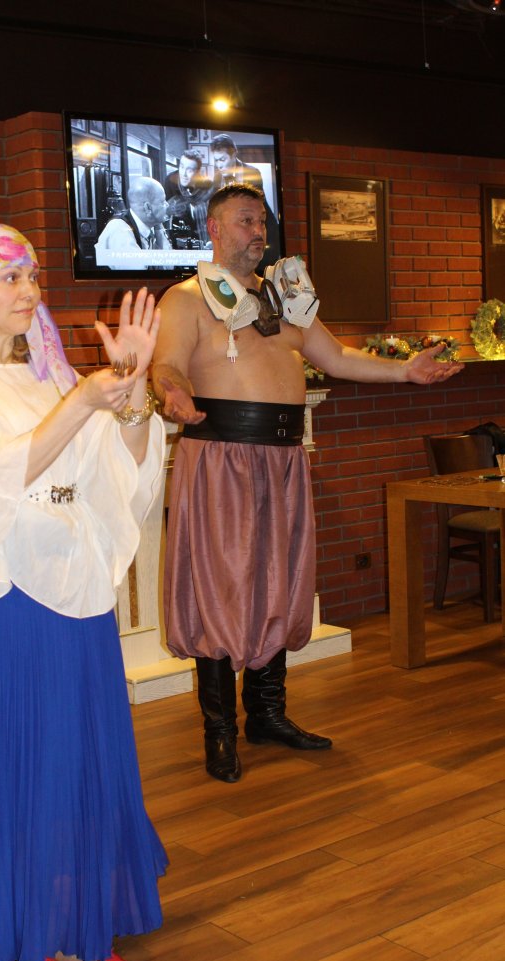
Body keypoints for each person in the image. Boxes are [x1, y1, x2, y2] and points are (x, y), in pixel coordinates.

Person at [0, 223, 168, 961]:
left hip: (74, 585)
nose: (29, 290)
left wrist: (130, 388)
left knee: (82, 752)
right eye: (10, 277)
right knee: (27, 759)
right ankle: (44, 925)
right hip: (2, 597)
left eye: (31, 275)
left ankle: (56, 905)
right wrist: (86, 397)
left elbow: (116, 474)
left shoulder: (51, 378)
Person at [151, 184, 464, 784]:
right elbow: (166, 363)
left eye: (262, 222)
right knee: (220, 589)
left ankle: (267, 715)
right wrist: (173, 391)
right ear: (214, 228)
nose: (258, 232)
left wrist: (406, 371)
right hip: (222, 457)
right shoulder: (186, 300)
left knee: (281, 581)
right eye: (246, 221)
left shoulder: (285, 300)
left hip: (284, 459)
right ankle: (220, 731)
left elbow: (338, 357)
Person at [208, 133, 279, 266]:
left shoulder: (251, 173)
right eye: (216, 160)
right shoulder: (217, 178)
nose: (219, 165)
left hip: (260, 234)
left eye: (222, 159)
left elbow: (252, 210)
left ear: (234, 154)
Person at [95, 177, 170, 268]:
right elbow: (139, 273)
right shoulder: (119, 231)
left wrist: (159, 229)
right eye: (162, 202)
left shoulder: (150, 228)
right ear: (148, 208)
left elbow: (169, 265)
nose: (167, 205)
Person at [164, 149, 211, 246]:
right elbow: (166, 212)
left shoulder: (207, 185)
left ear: (198, 172)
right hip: (179, 233)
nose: (183, 174)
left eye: (189, 170)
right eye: (182, 167)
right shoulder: (170, 181)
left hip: (202, 232)